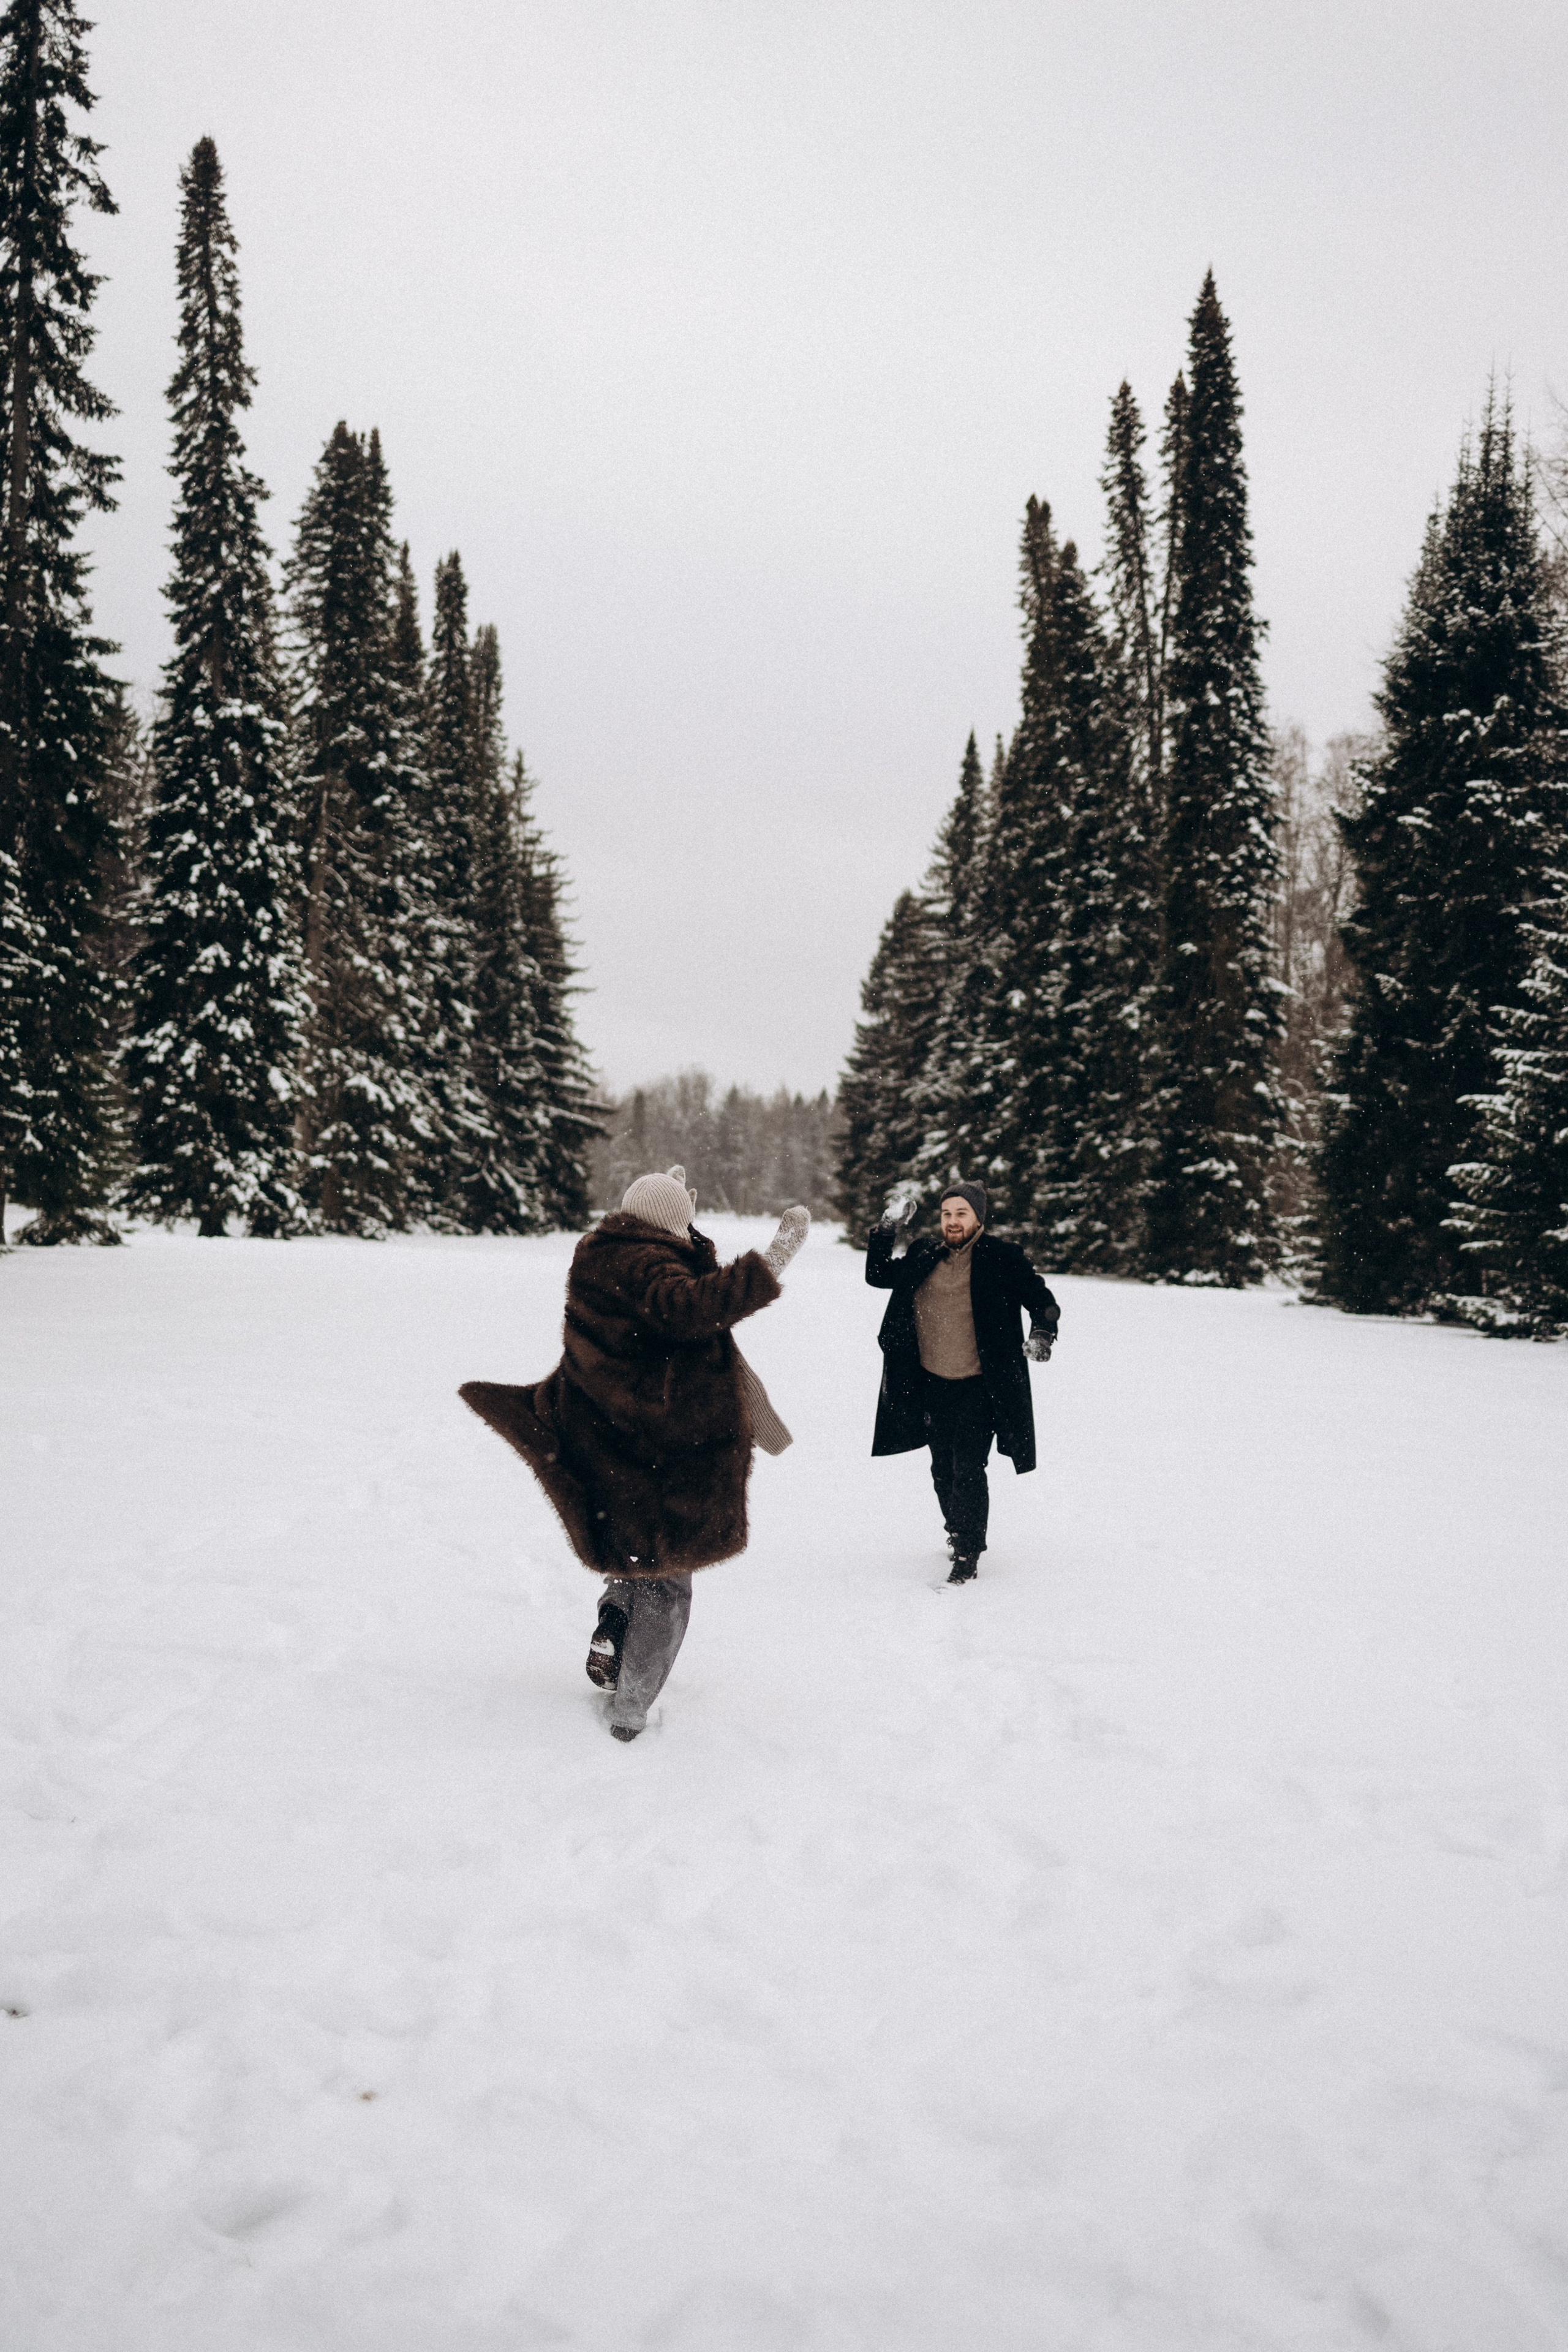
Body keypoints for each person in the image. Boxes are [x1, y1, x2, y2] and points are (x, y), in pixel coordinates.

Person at [461, 1169, 809, 1739]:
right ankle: (630, 1711)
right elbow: (692, 1305)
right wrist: (769, 1263)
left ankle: (615, 1620)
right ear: (669, 1224)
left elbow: (664, 1300)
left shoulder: (600, 1255)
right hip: (662, 1451)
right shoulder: (648, 1266)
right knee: (670, 1582)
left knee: (633, 1560)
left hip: (610, 1442)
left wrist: (674, 1203)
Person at [865, 1181, 1058, 1582]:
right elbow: (879, 1275)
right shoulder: (925, 1254)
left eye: (961, 1214)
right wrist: (887, 1228)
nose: (952, 1222)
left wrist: (1042, 1334)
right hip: (932, 1382)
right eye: (947, 1214)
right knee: (941, 1470)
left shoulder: (1002, 1257)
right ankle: (957, 1531)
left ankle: (968, 1553)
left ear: (978, 1218)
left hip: (980, 1385)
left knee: (968, 1467)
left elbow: (1043, 1302)